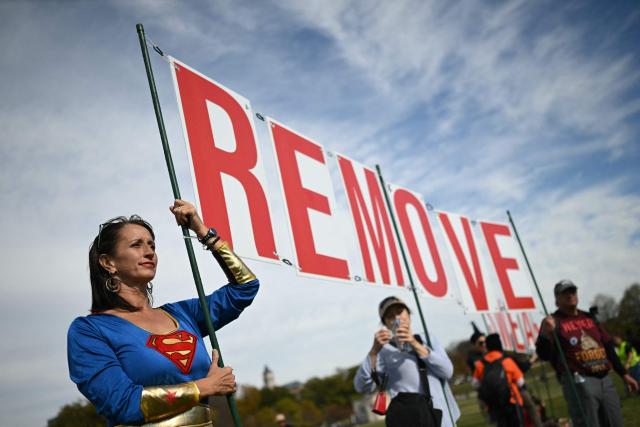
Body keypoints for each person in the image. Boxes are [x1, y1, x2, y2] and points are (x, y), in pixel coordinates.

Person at [67, 200, 260, 426]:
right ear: (108, 262)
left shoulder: (182, 313)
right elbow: (122, 404)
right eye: (136, 245)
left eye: (152, 245)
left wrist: (203, 232)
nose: (149, 252)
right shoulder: (89, 331)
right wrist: (205, 387)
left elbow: (245, 288)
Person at [535, 279, 639, 427]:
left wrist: (624, 374)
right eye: (565, 293)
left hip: (605, 380)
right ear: (556, 300)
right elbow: (543, 354)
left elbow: (608, 347)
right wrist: (546, 335)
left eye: (573, 291)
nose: (570, 295)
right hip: (579, 382)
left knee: (616, 422)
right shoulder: (552, 321)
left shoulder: (590, 318)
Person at [354, 296, 460, 427]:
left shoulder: (427, 338)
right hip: (412, 419)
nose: (396, 318)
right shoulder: (383, 351)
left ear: (408, 314)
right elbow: (361, 386)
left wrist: (415, 343)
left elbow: (447, 371)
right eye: (390, 316)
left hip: (443, 418)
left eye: (399, 312)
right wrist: (373, 353)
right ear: (385, 324)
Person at [472, 333, 525, 427]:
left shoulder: (481, 364)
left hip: (493, 404)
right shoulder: (506, 360)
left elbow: (475, 384)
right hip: (511, 401)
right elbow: (520, 381)